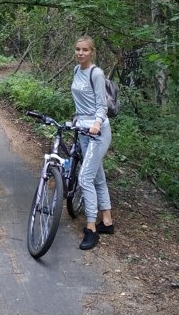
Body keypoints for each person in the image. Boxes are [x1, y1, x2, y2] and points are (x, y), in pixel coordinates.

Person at [71, 35, 114, 250]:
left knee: (84, 178)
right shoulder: (77, 71)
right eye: (78, 49)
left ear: (92, 52)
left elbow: (101, 104)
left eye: (85, 50)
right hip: (82, 129)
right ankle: (107, 221)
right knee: (97, 175)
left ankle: (91, 228)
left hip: (97, 132)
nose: (80, 53)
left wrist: (96, 123)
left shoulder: (96, 73)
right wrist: (78, 116)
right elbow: (81, 100)